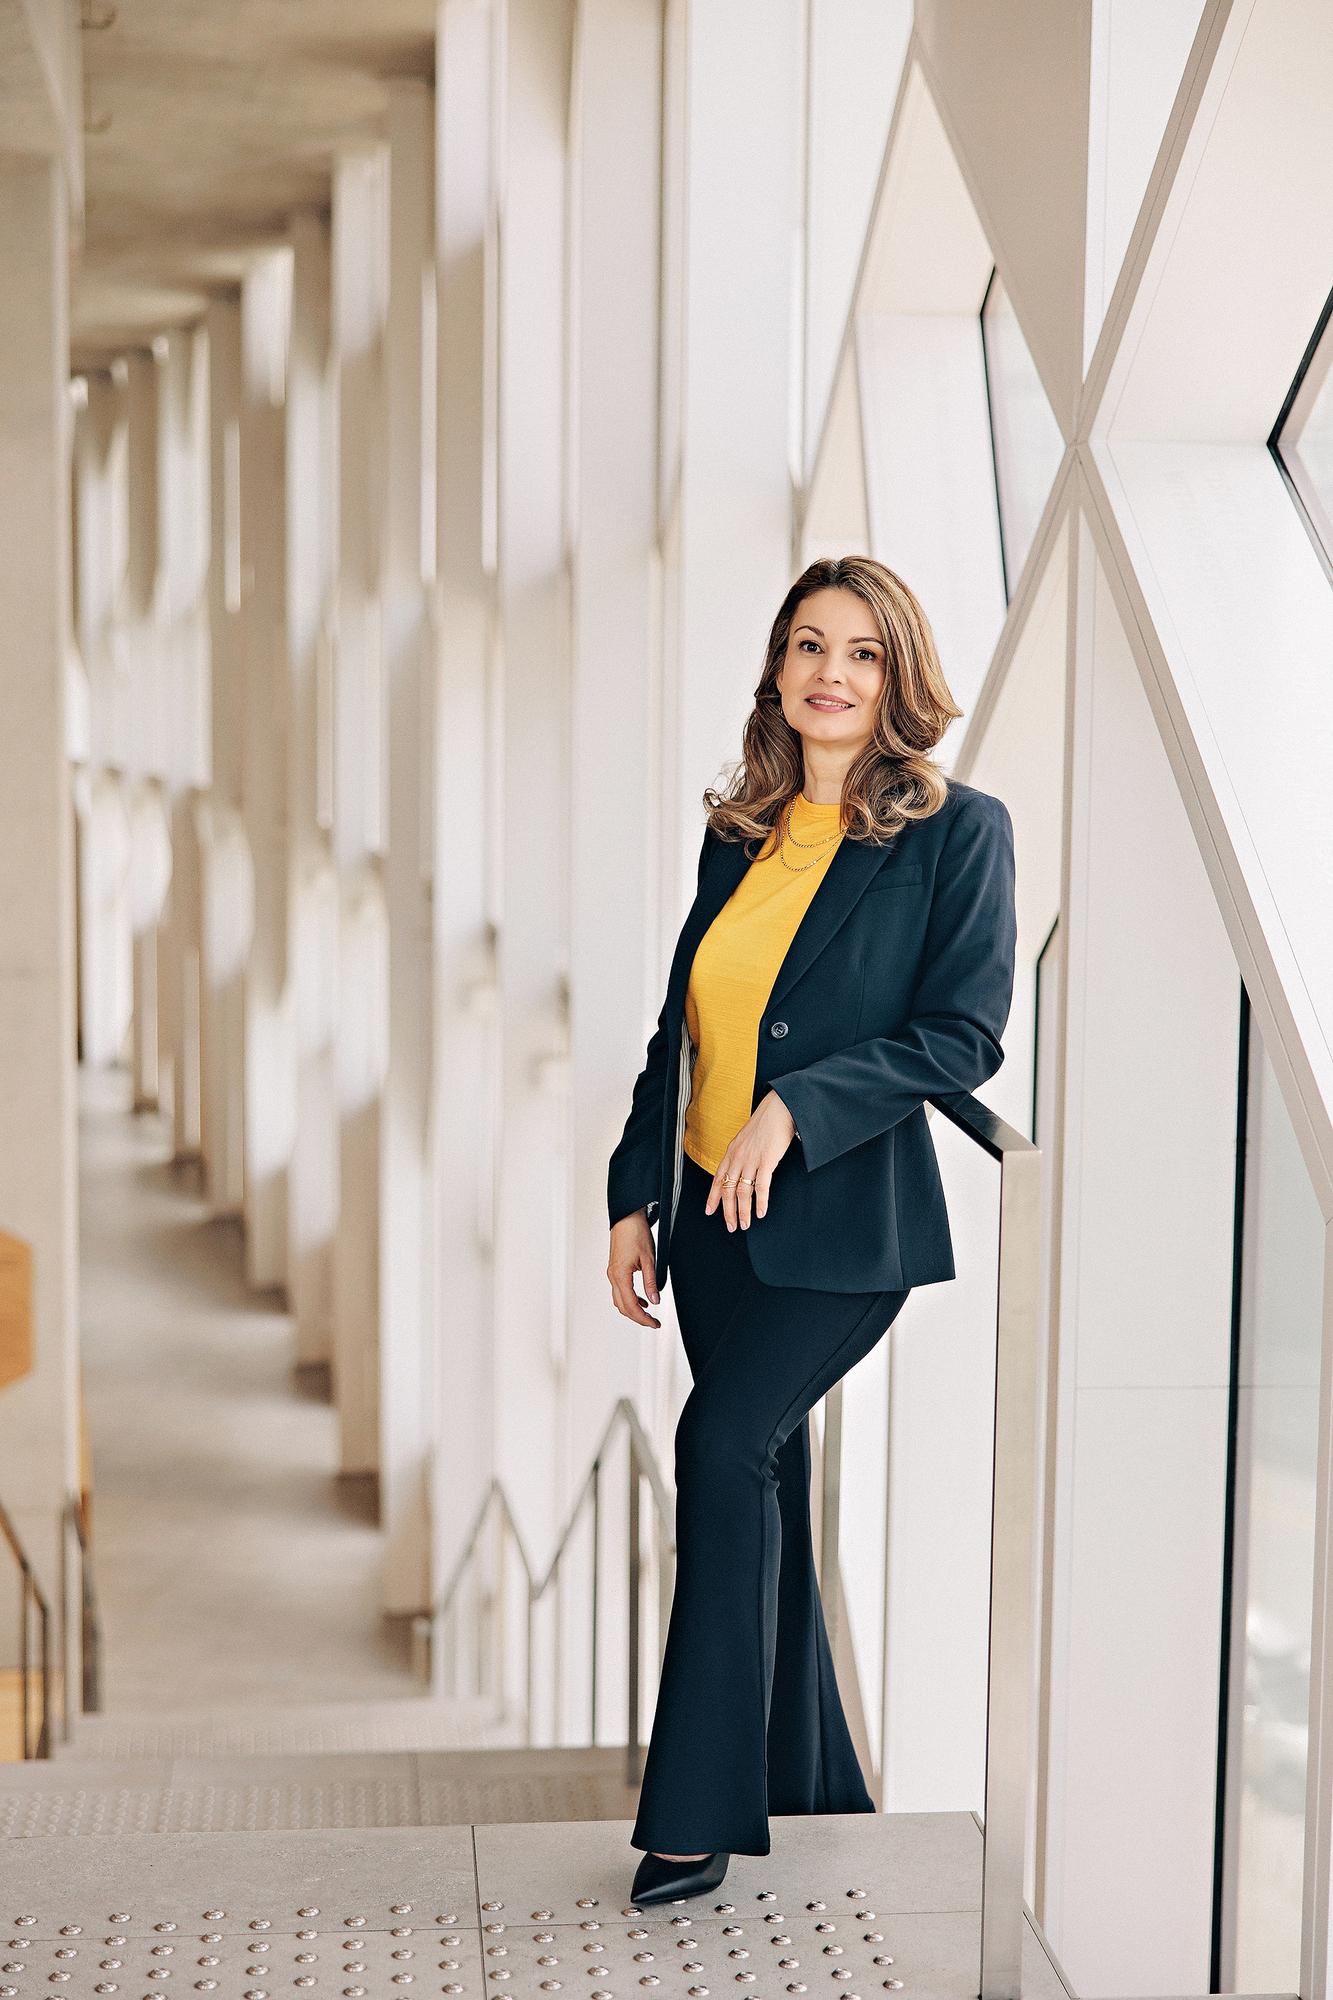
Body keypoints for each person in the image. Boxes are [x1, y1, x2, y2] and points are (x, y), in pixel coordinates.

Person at [605, 553, 1017, 1907]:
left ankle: (689, 1818)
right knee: (755, 1482)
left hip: (842, 1228)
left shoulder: (957, 832)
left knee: (719, 1447)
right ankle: (810, 1781)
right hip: (711, 1223)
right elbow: (682, 1029)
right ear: (777, 673)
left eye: (859, 652)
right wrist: (631, 1191)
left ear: (898, 676)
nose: (829, 674)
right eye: (806, 647)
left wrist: (802, 1103)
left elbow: (960, 1035)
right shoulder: (741, 832)